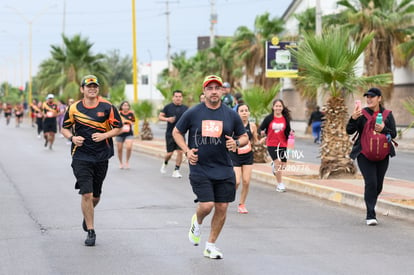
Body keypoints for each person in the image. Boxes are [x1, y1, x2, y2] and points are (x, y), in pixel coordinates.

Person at [172, 75, 249, 259]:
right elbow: (177, 132)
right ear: (204, 91)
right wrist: (187, 150)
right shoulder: (193, 112)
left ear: (222, 91)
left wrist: (237, 143)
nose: (214, 91)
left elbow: (244, 136)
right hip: (200, 167)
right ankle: (197, 221)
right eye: (210, 88)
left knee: (222, 207)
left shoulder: (231, 114)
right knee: (206, 206)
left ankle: (210, 245)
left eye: (217, 88)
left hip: (224, 168)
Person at [61, 75, 123, 246]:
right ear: (82, 89)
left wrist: (105, 134)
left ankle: (87, 214)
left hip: (102, 156)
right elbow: (64, 128)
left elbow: (119, 127)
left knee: (95, 196)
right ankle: (91, 230)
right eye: (88, 86)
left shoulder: (107, 107)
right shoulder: (74, 108)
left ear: (98, 89)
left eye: (95, 86)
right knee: (86, 193)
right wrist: (72, 138)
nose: (92, 89)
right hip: (81, 155)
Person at [346, 87, 396, 226]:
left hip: (383, 153)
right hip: (364, 153)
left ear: (379, 98)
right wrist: (353, 118)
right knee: (371, 182)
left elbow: (394, 134)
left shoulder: (387, 114)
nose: (369, 99)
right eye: (367, 97)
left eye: (372, 97)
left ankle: (372, 202)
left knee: (378, 184)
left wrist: (384, 129)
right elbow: (349, 130)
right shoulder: (361, 114)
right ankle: (370, 214)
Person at [259, 99, 292, 192]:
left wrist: (291, 134)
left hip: (283, 144)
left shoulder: (285, 119)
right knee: (278, 163)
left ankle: (274, 165)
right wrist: (261, 132)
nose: (278, 108)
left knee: (283, 165)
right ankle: (280, 184)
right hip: (272, 144)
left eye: (280, 106)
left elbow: (288, 131)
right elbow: (261, 128)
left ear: (282, 107)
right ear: (273, 107)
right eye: (276, 106)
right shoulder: (269, 118)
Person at [229, 103, 258, 214]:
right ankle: (227, 198)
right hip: (235, 155)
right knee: (236, 181)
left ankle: (241, 204)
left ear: (249, 113)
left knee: (246, 181)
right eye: (242, 111)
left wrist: (263, 141)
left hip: (247, 156)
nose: (244, 113)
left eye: (246, 110)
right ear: (237, 113)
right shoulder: (233, 125)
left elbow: (255, 141)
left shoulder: (252, 126)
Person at [158, 90, 189, 178]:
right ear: (173, 97)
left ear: (182, 98)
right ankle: (165, 163)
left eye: (180, 96)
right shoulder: (168, 107)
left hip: (180, 133)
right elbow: (160, 116)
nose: (178, 98)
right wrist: (167, 119)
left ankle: (176, 170)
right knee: (169, 153)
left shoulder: (185, 108)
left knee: (180, 151)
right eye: (176, 96)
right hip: (170, 134)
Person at [116, 101, 136, 169]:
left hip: (128, 133)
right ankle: (121, 163)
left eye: (127, 105)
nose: (125, 107)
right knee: (119, 149)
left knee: (129, 147)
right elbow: (115, 122)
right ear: (121, 106)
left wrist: (127, 122)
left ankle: (127, 162)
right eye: (124, 105)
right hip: (119, 133)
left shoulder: (131, 113)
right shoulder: (118, 113)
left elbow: (133, 122)